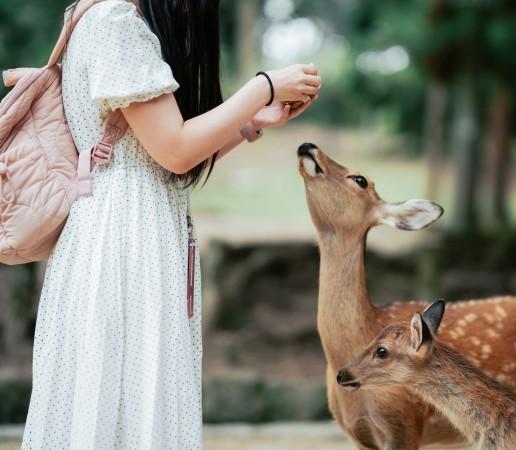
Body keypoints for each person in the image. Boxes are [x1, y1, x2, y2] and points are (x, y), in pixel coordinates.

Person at [21, 0, 320, 448]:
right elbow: (175, 150)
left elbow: (162, 158)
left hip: (126, 233)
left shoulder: (115, 20)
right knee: (124, 397)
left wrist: (248, 123)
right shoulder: (116, 23)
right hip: (126, 240)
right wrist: (263, 87)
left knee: (126, 397)